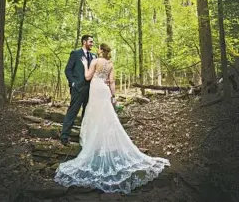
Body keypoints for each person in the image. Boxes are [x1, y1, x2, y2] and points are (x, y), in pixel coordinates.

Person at [55, 43, 170, 194]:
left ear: (101, 51)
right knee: (107, 115)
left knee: (94, 114)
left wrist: (84, 65)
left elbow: (87, 76)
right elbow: (112, 81)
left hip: (95, 88)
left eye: (99, 49)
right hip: (105, 90)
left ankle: (94, 141)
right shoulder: (110, 64)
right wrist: (113, 97)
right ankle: (104, 139)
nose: (97, 50)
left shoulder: (95, 61)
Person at [60, 35, 95, 146]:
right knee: (72, 112)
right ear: (84, 42)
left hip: (91, 90)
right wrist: (73, 83)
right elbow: (68, 70)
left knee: (87, 114)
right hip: (78, 88)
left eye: (92, 42)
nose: (92, 44)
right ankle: (64, 136)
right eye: (90, 41)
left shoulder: (94, 56)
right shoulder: (75, 53)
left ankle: (84, 138)